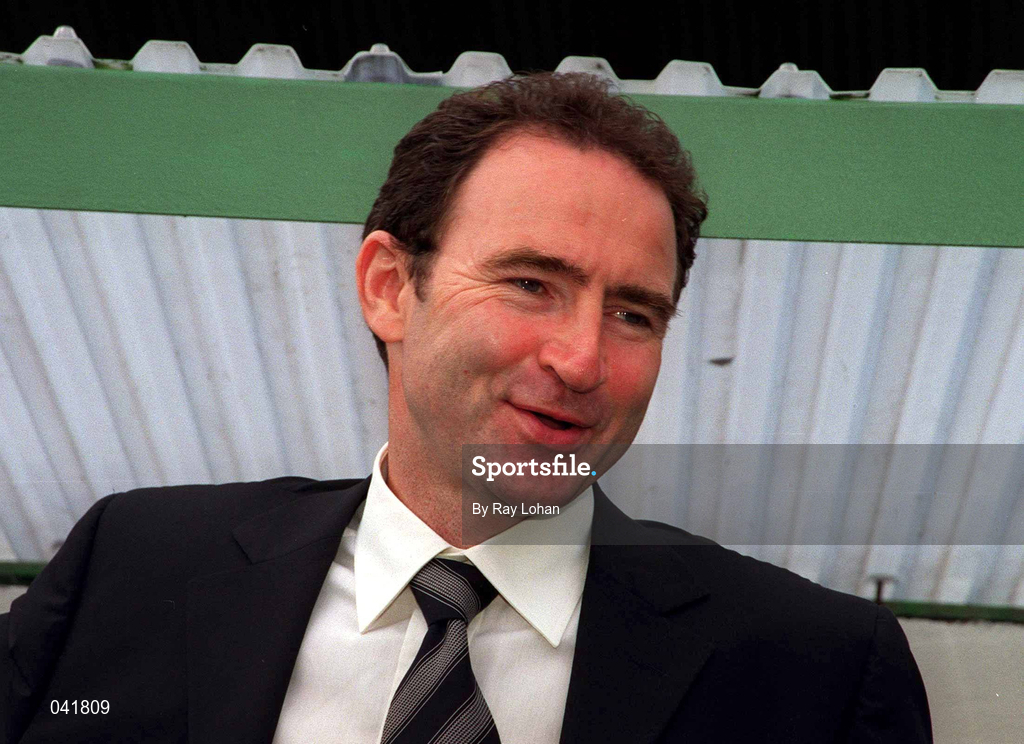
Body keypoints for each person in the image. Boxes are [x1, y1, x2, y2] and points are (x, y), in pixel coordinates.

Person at [1, 72, 930, 743]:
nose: (581, 358)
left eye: (635, 312)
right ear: (389, 287)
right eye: (531, 283)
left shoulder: (819, 674)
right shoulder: (133, 566)